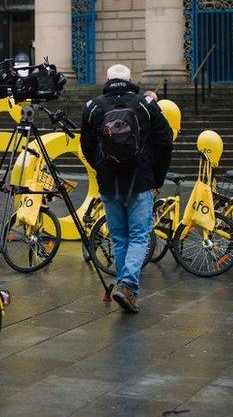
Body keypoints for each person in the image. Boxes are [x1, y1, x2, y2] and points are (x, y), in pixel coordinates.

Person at [80, 64, 172, 313]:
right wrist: (157, 176)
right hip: (140, 179)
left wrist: (100, 167)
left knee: (119, 237)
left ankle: (124, 285)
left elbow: (86, 145)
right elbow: (165, 139)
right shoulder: (145, 105)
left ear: (107, 79)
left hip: (109, 182)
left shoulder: (93, 107)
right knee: (139, 236)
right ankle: (128, 285)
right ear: (130, 79)